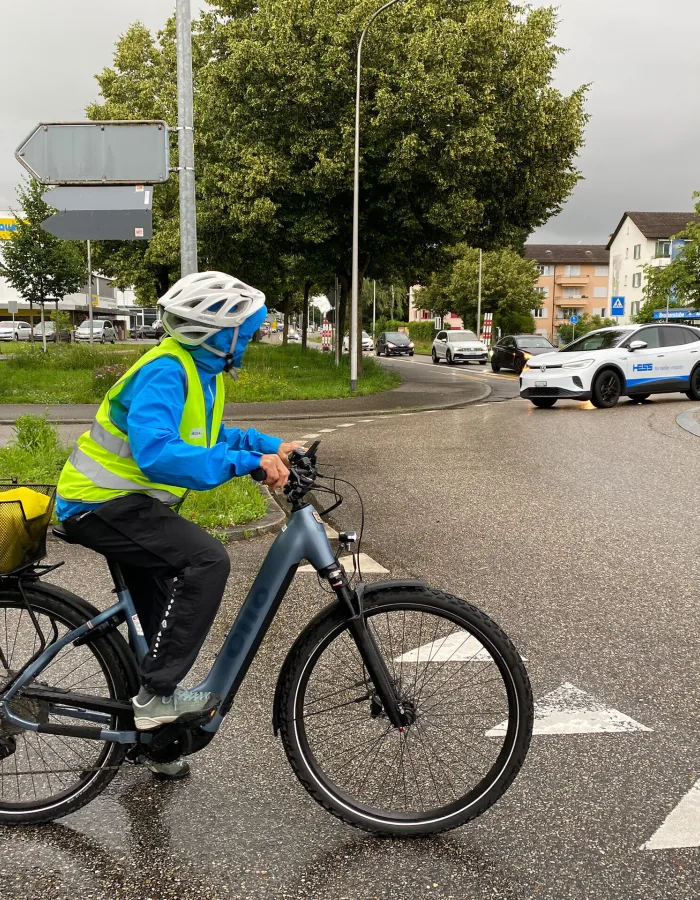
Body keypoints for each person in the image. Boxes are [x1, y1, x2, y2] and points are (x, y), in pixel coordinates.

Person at [55, 272, 301, 779]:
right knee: (207, 560)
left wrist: (265, 446)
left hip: (129, 504)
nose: (251, 341)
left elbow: (211, 433)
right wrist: (244, 464)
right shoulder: (166, 370)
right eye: (247, 333)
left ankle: (157, 741)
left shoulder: (196, 370)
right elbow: (159, 453)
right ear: (217, 333)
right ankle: (157, 696)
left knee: (165, 599)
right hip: (100, 504)